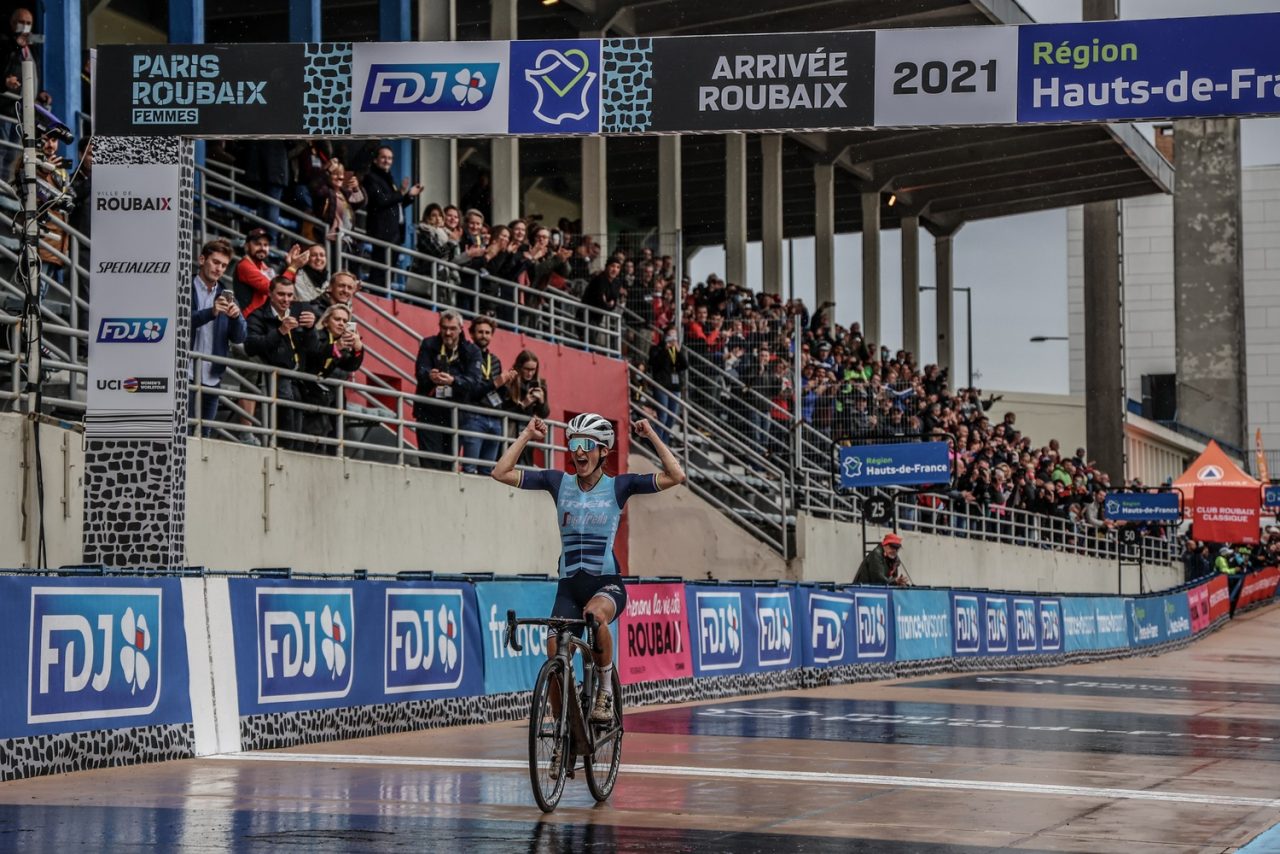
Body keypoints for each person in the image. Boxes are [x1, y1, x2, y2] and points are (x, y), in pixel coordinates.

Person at [491, 413, 685, 744]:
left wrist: (650, 433)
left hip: (605, 584)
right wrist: (525, 434)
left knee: (595, 617)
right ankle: (562, 727)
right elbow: (500, 472)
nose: (578, 452)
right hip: (569, 587)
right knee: (553, 649)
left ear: (603, 451)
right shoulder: (557, 482)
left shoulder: (619, 486)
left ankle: (605, 691)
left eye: (586, 445)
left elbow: (676, 475)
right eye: (573, 444)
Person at [244, 277, 317, 448]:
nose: (286, 300)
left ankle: (293, 452)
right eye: (281, 295)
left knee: (300, 429)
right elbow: (251, 346)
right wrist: (281, 331)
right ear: (270, 294)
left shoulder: (300, 310)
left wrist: (311, 329)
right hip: (275, 377)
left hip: (299, 379)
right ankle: (283, 449)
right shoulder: (258, 315)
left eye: (290, 295)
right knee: (286, 427)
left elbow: (313, 348)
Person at [189, 239, 246, 436]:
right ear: (202, 259)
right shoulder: (183, 286)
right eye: (215, 262)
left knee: (205, 438)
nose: (219, 268)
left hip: (212, 378)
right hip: (184, 374)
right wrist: (210, 312)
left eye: (223, 265)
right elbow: (178, 322)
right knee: (183, 433)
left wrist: (237, 317)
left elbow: (240, 337)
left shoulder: (226, 294)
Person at [412, 310, 480, 470]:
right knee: (430, 463)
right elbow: (420, 371)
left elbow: (474, 382)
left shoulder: (472, 351)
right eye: (444, 328)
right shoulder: (429, 344)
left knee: (448, 465)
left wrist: (453, 381)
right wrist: (430, 376)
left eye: (452, 328)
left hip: (456, 415)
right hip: (429, 411)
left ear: (461, 328)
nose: (447, 332)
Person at [300, 303, 364, 453]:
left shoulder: (340, 343)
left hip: (321, 396)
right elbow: (315, 355)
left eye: (344, 321)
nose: (341, 323)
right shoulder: (316, 335)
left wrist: (358, 349)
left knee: (326, 436)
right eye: (337, 319)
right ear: (326, 321)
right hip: (305, 390)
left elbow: (350, 366)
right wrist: (337, 347)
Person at [461, 316, 516, 474]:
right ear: (471, 334)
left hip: (494, 417)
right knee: (470, 468)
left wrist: (506, 384)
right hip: (474, 416)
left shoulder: (495, 360)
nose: (484, 335)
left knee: (488, 471)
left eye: (487, 332)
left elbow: (497, 392)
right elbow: (471, 390)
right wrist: (495, 383)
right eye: (480, 332)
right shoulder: (467, 356)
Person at [362, 145, 422, 285]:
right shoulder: (371, 177)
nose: (387, 161)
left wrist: (409, 196)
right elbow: (381, 201)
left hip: (394, 234)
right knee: (379, 272)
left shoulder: (388, 178)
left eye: (389, 158)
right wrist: (400, 193)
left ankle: (383, 297)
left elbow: (395, 205)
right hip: (381, 232)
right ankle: (378, 297)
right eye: (383, 157)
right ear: (376, 160)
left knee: (389, 273)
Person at [502, 349, 549, 466]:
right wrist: (523, 404)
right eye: (526, 369)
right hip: (510, 433)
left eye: (533, 370)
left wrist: (542, 401)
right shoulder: (510, 381)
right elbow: (503, 409)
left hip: (527, 434)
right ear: (519, 367)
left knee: (525, 467)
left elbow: (544, 414)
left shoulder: (540, 384)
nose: (530, 373)